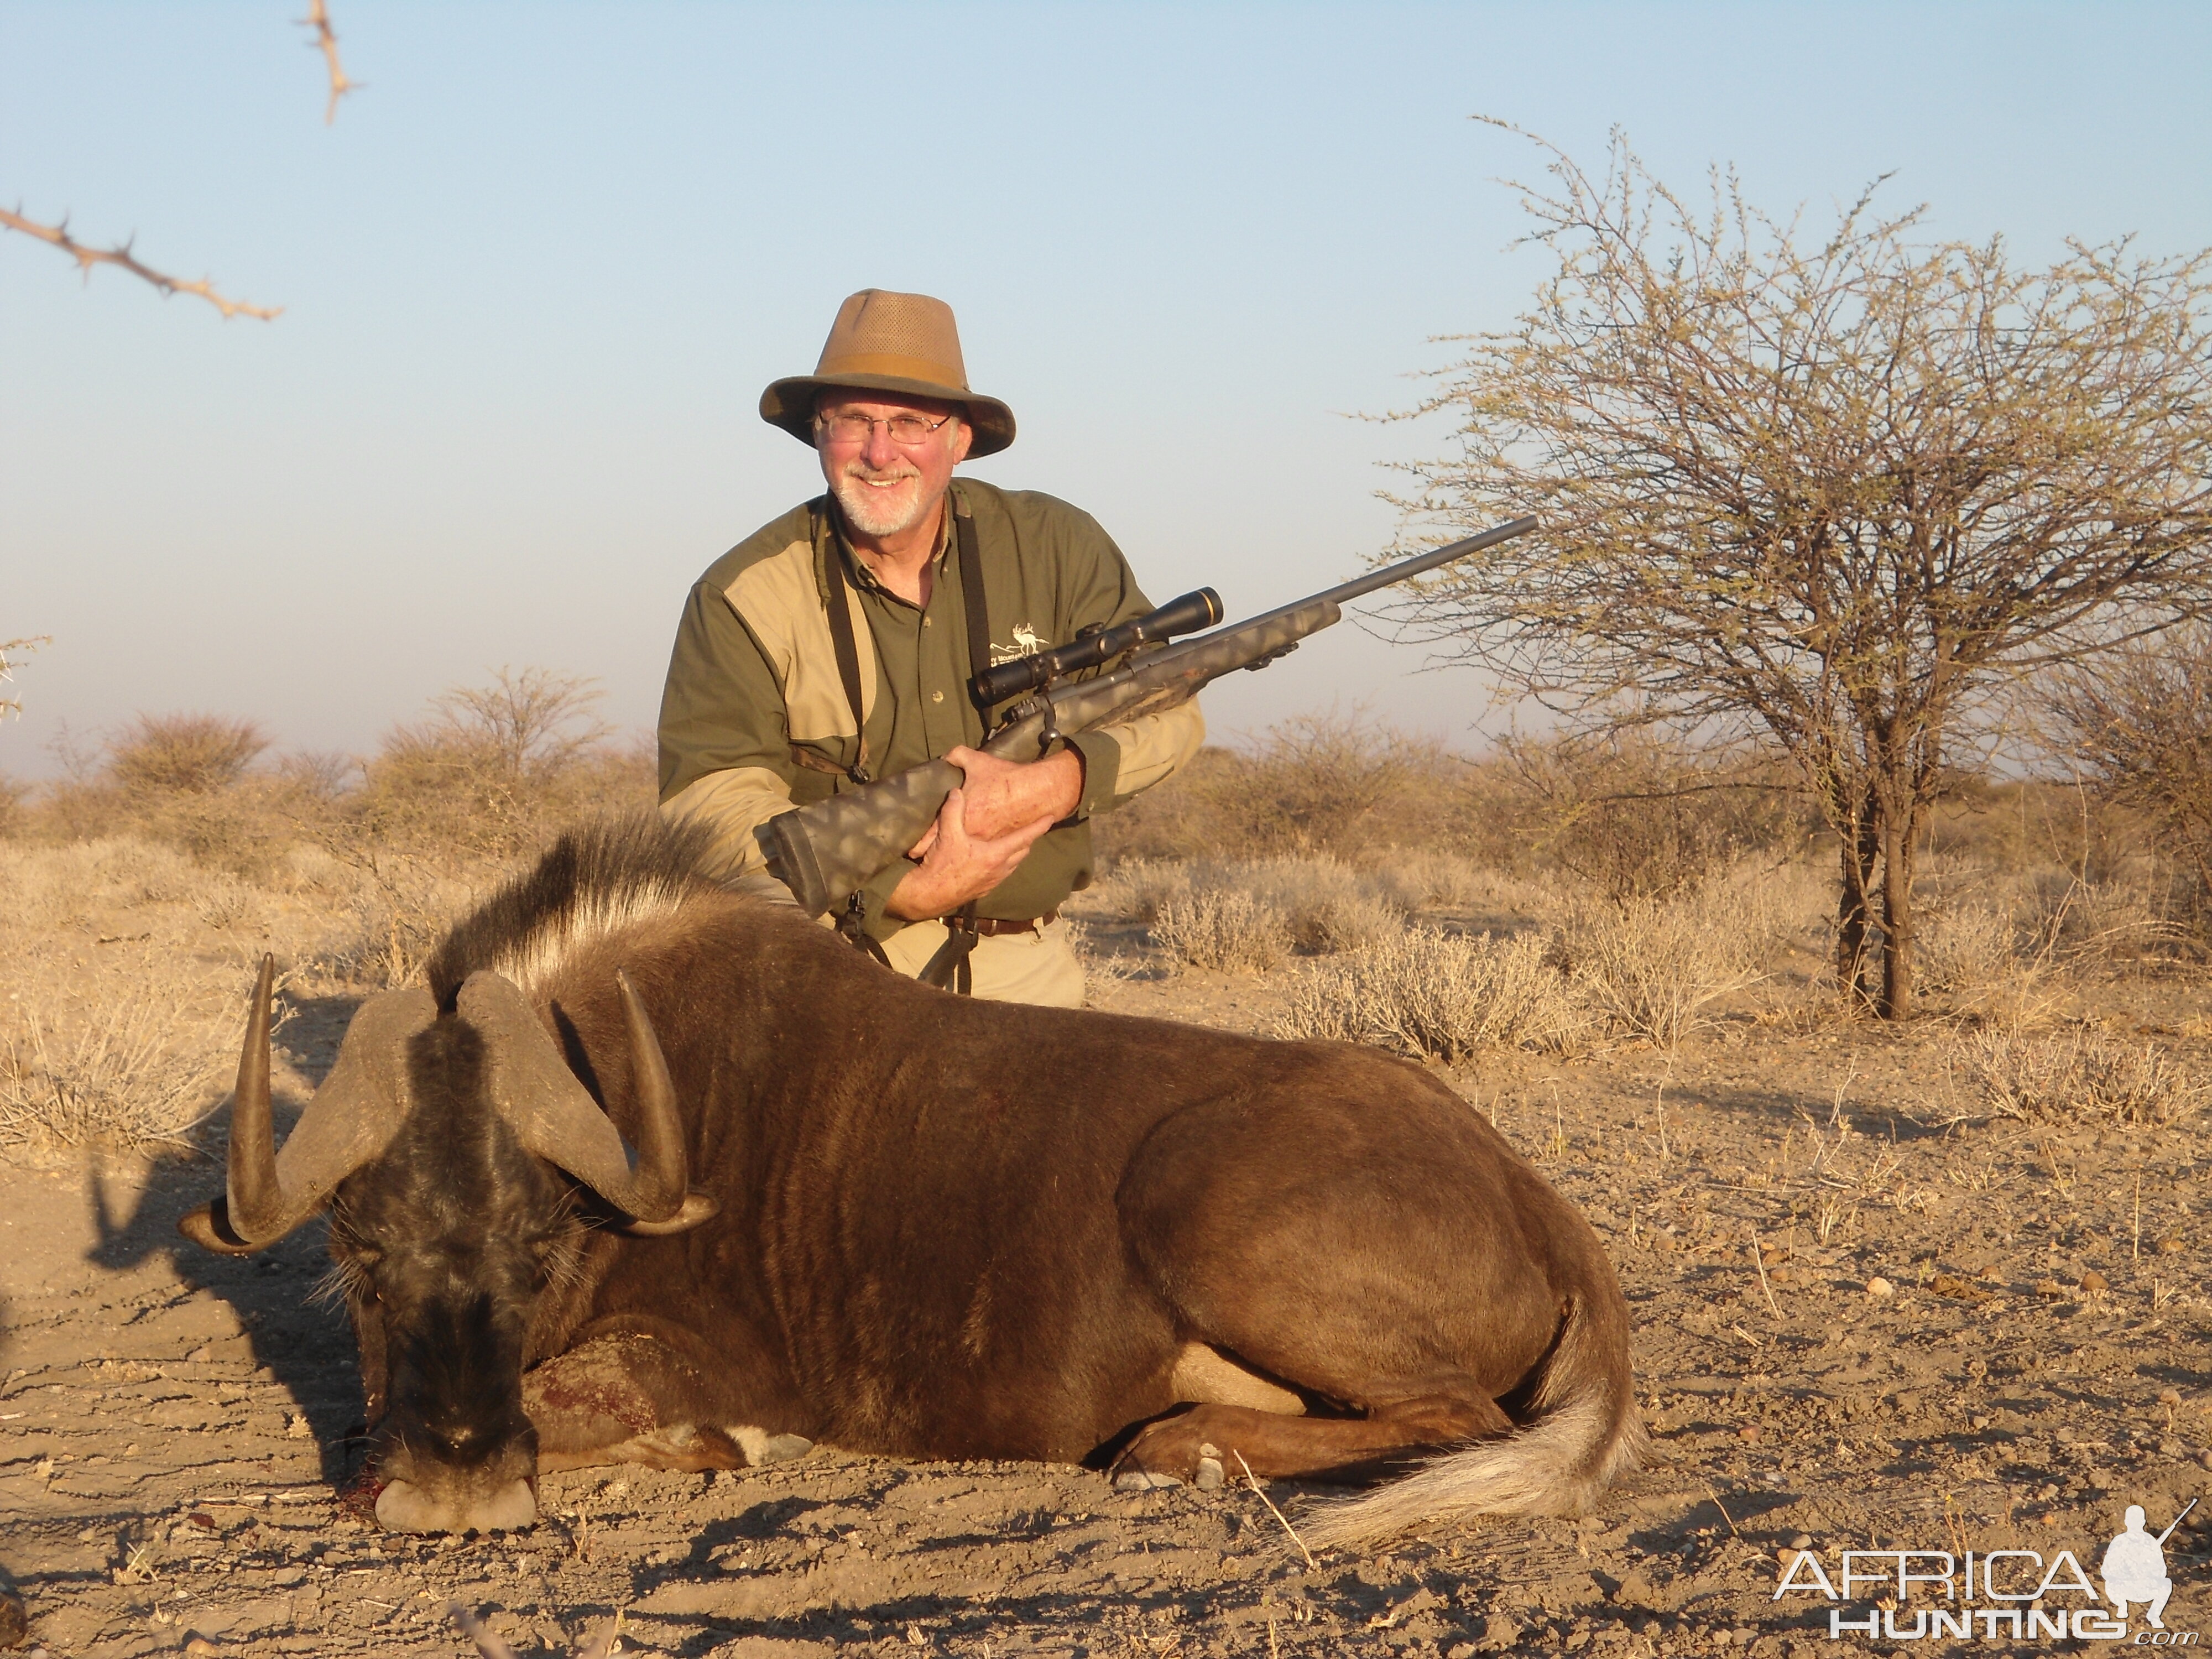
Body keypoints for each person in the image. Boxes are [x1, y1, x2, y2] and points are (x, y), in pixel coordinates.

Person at [657, 289, 1204, 1007]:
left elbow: (1171, 709)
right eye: (854, 421)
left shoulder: (1058, 546)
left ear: (960, 438)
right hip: (822, 971)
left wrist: (1061, 780)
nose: (880, 452)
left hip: (1028, 975)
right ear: (818, 435)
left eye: (911, 422)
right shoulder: (741, 594)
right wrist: (903, 891)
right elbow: (708, 807)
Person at [2101, 1505, 2174, 1629]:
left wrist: (2147, 1570)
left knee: (2166, 1584)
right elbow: (2106, 1570)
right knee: (2110, 1584)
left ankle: (2154, 1615)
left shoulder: (2150, 1542)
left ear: (2143, 1522)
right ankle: (2122, 1606)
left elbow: (2162, 1571)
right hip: (2123, 1588)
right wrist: (2125, 1572)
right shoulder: (2119, 1541)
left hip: (2145, 1587)